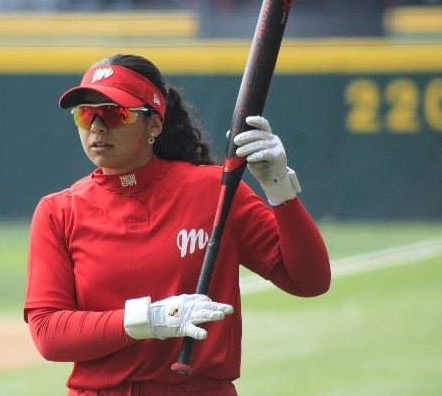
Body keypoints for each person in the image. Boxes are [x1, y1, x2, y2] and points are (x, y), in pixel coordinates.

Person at [24, 54, 331, 395]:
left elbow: (309, 280)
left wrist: (278, 184)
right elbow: (49, 333)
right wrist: (150, 319)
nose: (97, 125)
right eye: (85, 114)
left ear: (154, 124)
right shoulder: (57, 211)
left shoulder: (216, 190)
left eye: (113, 112)